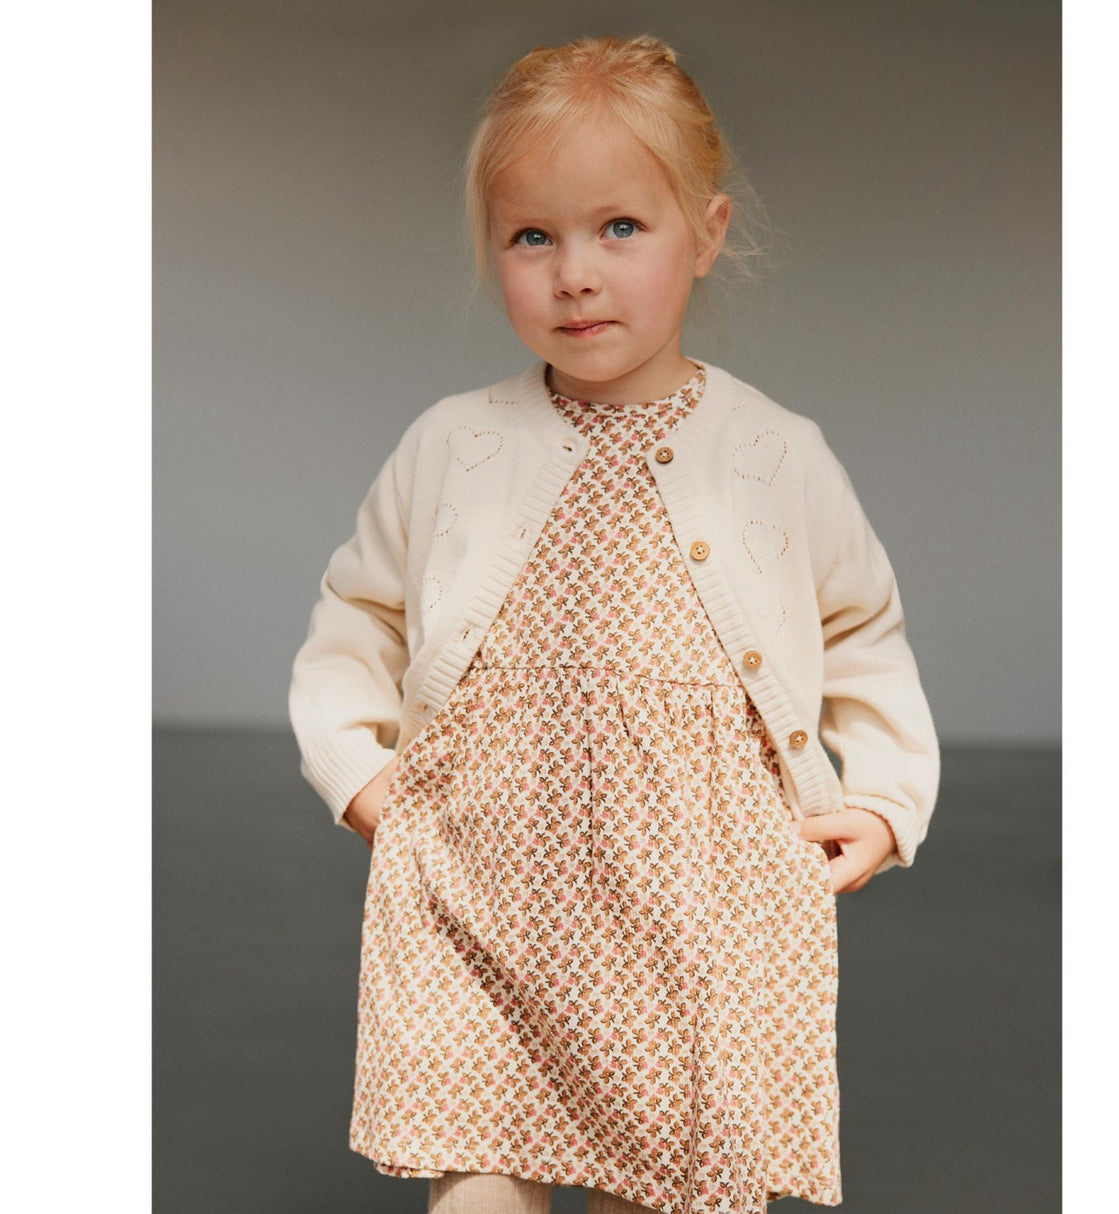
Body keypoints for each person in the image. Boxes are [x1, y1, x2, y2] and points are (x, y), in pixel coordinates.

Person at [288, 33, 939, 1214]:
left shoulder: (774, 455)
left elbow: (861, 629)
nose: (573, 275)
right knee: (474, 1169)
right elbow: (357, 613)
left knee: (668, 1181)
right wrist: (358, 772)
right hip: (481, 889)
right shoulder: (451, 445)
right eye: (531, 236)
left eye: (619, 228)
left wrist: (889, 797)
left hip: (694, 906)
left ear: (707, 231)